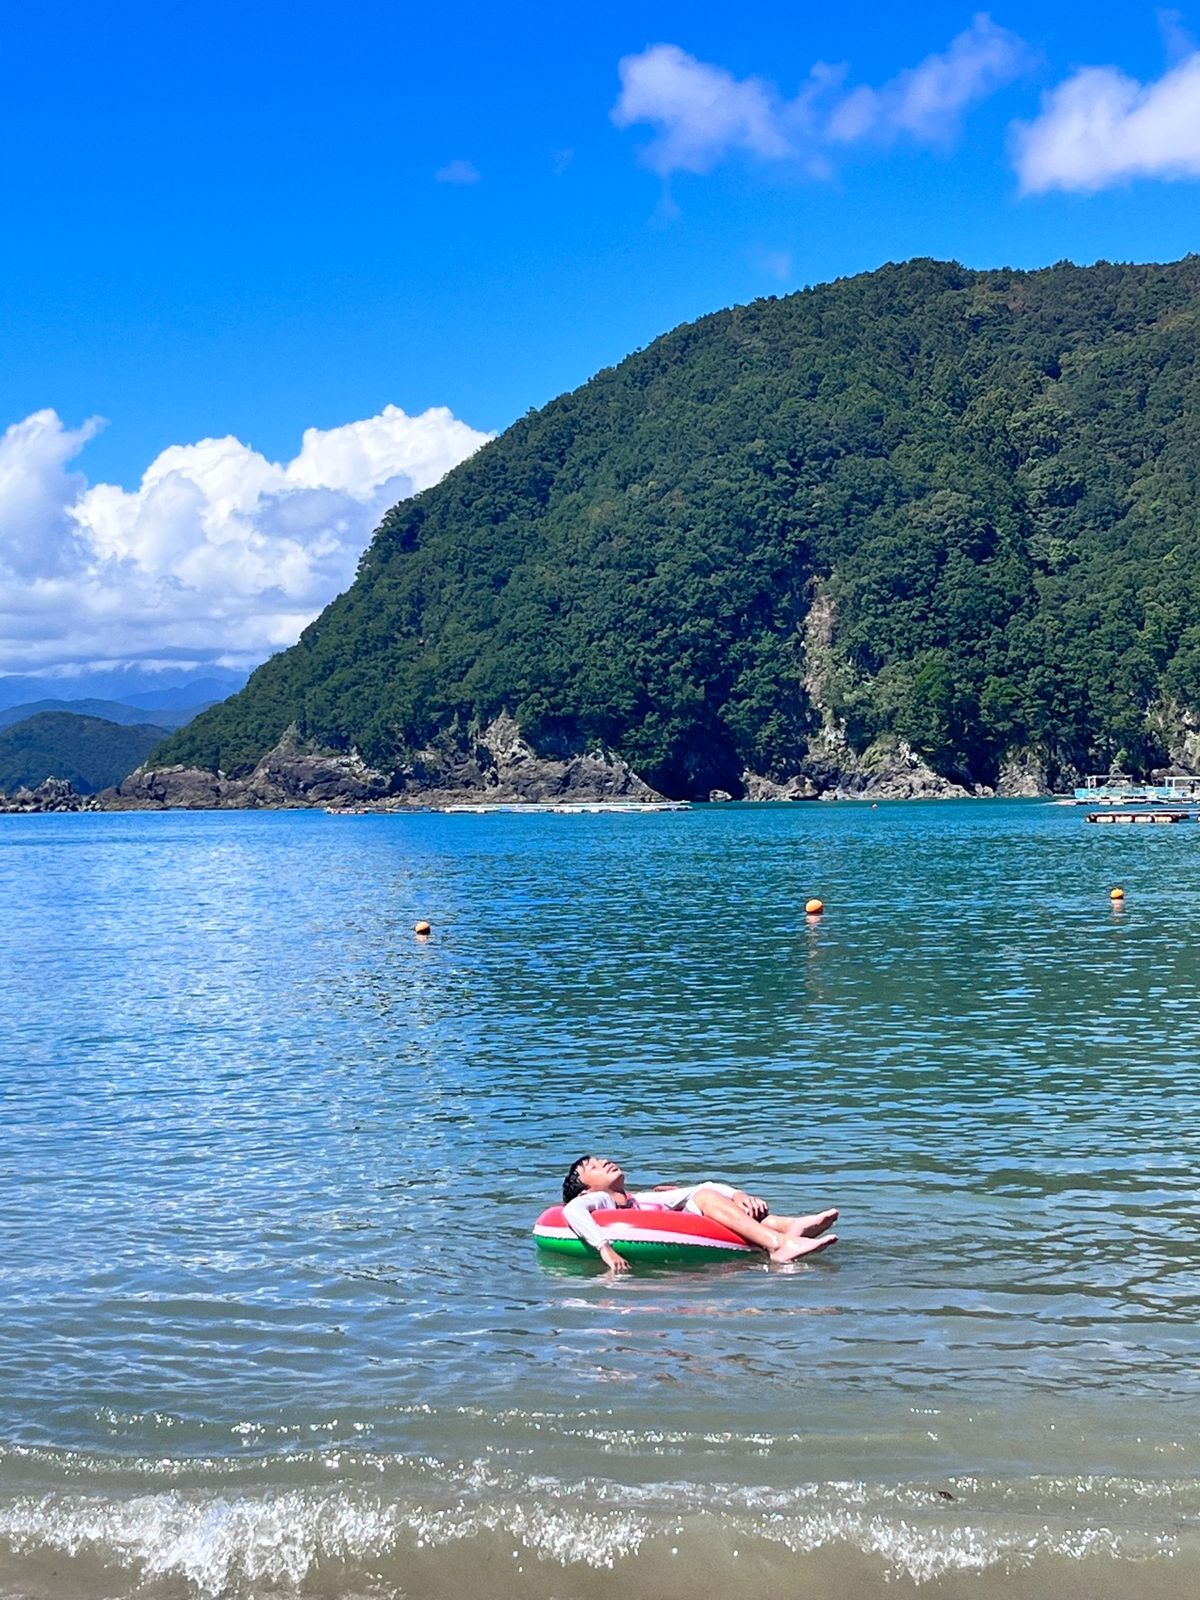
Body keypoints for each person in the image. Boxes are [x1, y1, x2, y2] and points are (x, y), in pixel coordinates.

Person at [560, 1155, 838, 1273]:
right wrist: (605, 1248)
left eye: (601, 1159)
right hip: (674, 1263)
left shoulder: (640, 1200)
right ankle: (778, 1244)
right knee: (705, 1199)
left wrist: (738, 1195)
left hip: (699, 1238)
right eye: (593, 1167)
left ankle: (789, 1227)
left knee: (707, 1197)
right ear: (586, 1190)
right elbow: (572, 1210)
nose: (605, 1162)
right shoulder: (601, 1201)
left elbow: (700, 1188)